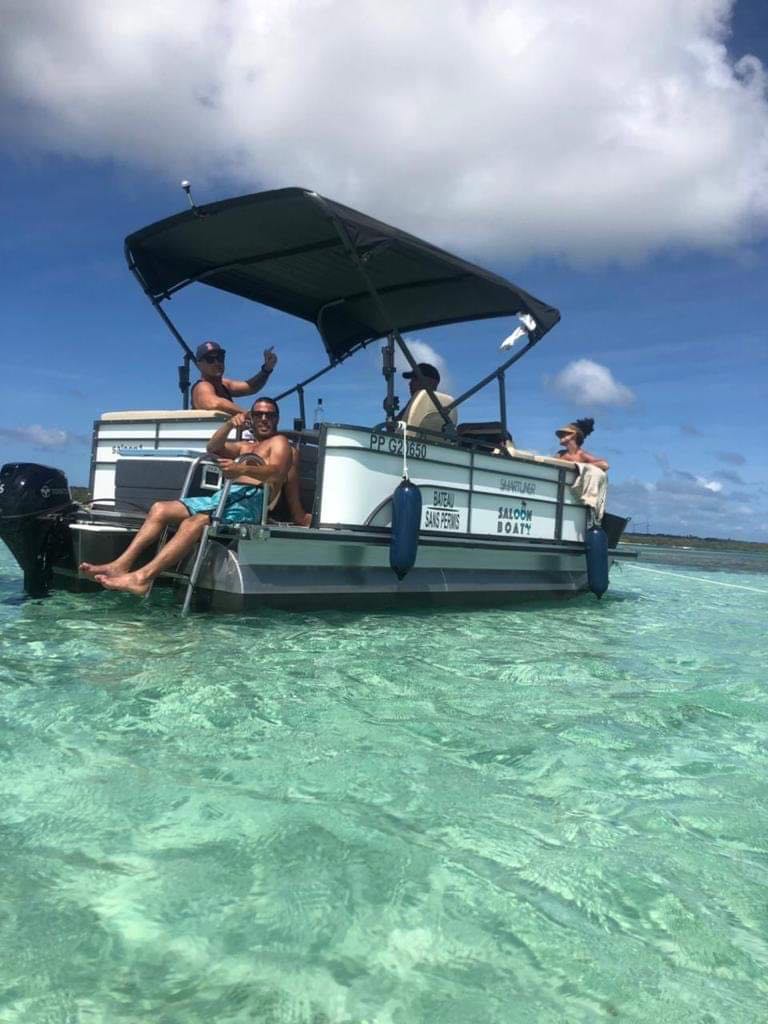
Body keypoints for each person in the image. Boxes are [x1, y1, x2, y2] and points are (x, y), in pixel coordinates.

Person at [79, 397, 292, 596]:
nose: (264, 419)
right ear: (251, 418)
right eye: (259, 414)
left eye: (270, 415)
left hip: (251, 500)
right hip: (224, 497)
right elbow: (213, 447)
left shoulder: (279, 442)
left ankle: (142, 578)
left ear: (277, 419)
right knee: (160, 509)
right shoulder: (246, 446)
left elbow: (278, 472)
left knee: (195, 522)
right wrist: (228, 425)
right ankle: (121, 565)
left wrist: (241, 469)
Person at [190, 340, 278, 414]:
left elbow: (251, 387)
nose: (216, 363)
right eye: (210, 359)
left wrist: (266, 369)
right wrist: (249, 415)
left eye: (220, 357)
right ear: (199, 365)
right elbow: (213, 403)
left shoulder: (224, 384)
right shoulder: (202, 386)